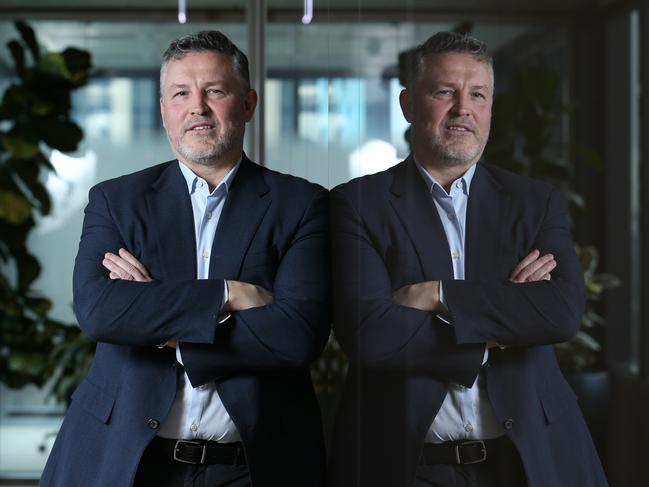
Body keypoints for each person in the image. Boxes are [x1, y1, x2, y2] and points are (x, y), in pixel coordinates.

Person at [40, 30, 330, 487]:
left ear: (248, 104)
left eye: (214, 90)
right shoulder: (117, 201)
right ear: (163, 111)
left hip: (254, 465)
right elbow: (99, 312)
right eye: (181, 93)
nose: (197, 106)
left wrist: (155, 315)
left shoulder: (302, 204)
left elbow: (298, 335)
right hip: (126, 460)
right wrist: (228, 295)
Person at [329, 31, 608, 487]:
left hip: (529, 461)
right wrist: (503, 318)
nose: (463, 109)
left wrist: (436, 295)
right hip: (404, 463)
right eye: (445, 92)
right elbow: (371, 336)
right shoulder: (357, 204)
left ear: (490, 108)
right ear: (408, 105)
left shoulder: (533, 202)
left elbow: (559, 313)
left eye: (477, 94)